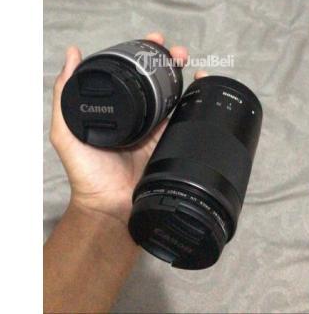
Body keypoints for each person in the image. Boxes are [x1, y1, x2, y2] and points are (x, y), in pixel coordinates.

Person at [44, 32, 206, 313]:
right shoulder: (97, 89)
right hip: (127, 115)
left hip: (132, 117)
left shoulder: (98, 88)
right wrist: (101, 203)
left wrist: (103, 207)